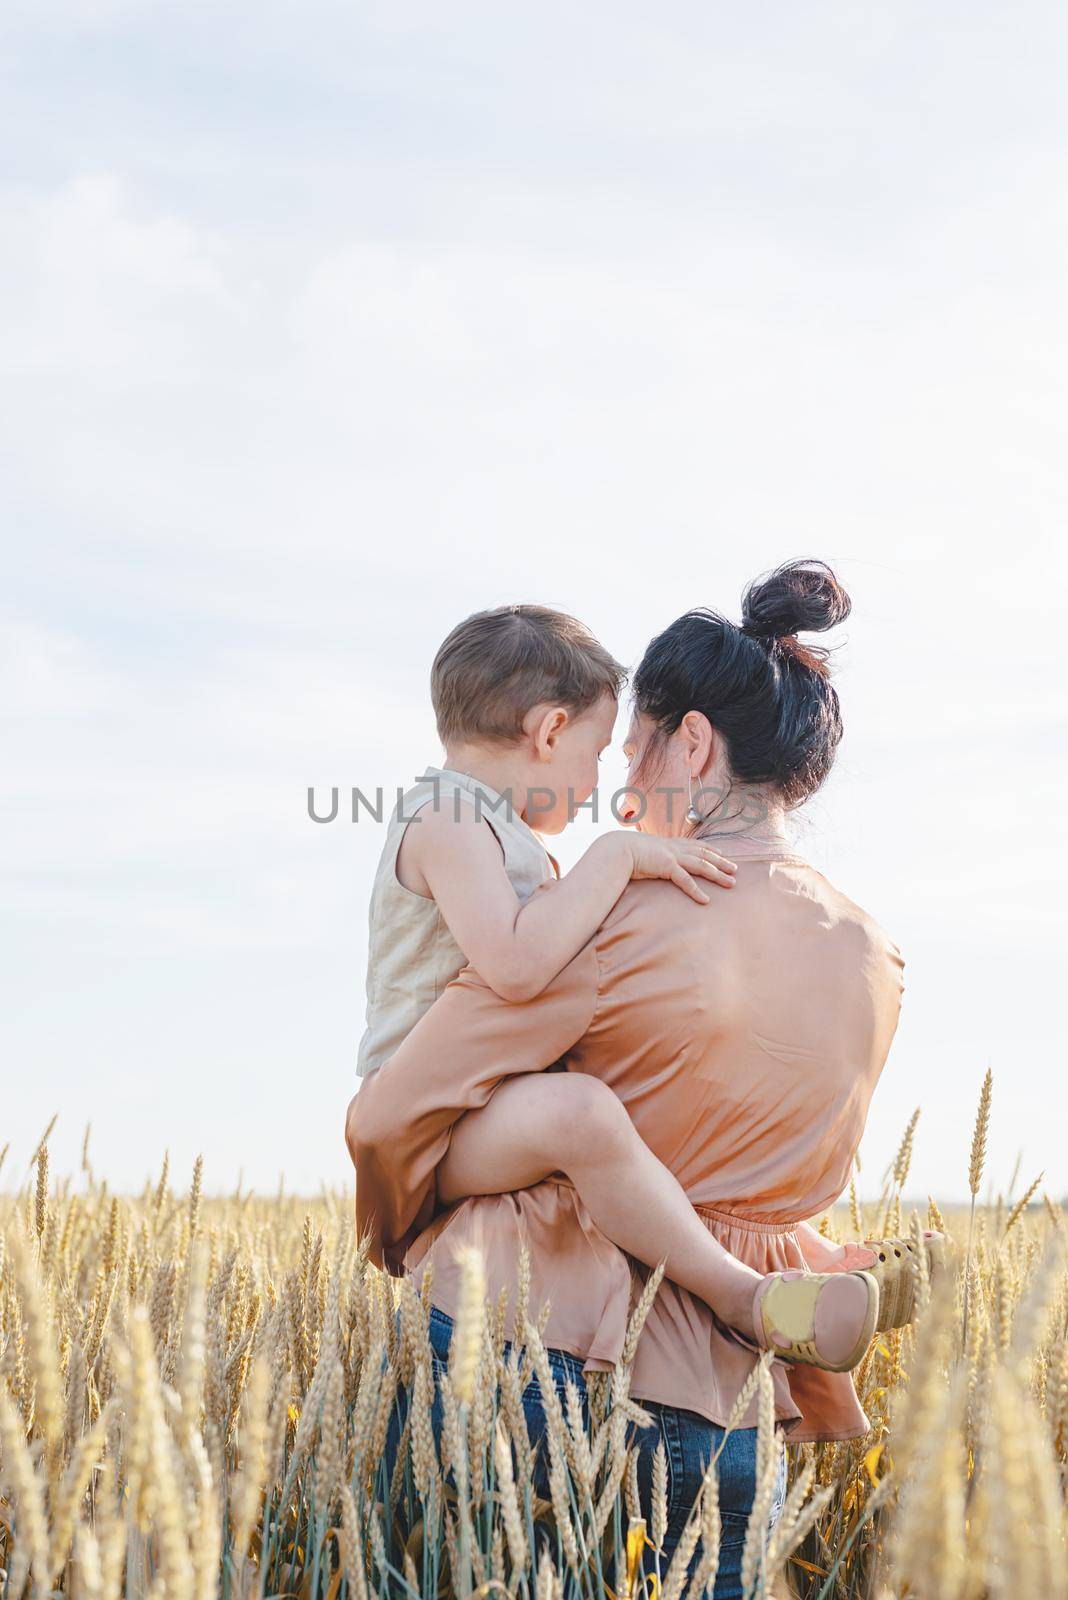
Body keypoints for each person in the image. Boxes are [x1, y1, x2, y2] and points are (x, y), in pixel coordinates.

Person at [349, 560, 909, 1592]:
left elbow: (393, 1116)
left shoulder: (603, 917)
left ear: (690, 743)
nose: (618, 787)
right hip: (739, 1408)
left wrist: (394, 1220)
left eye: (635, 749)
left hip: (534, 1358)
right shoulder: (871, 954)